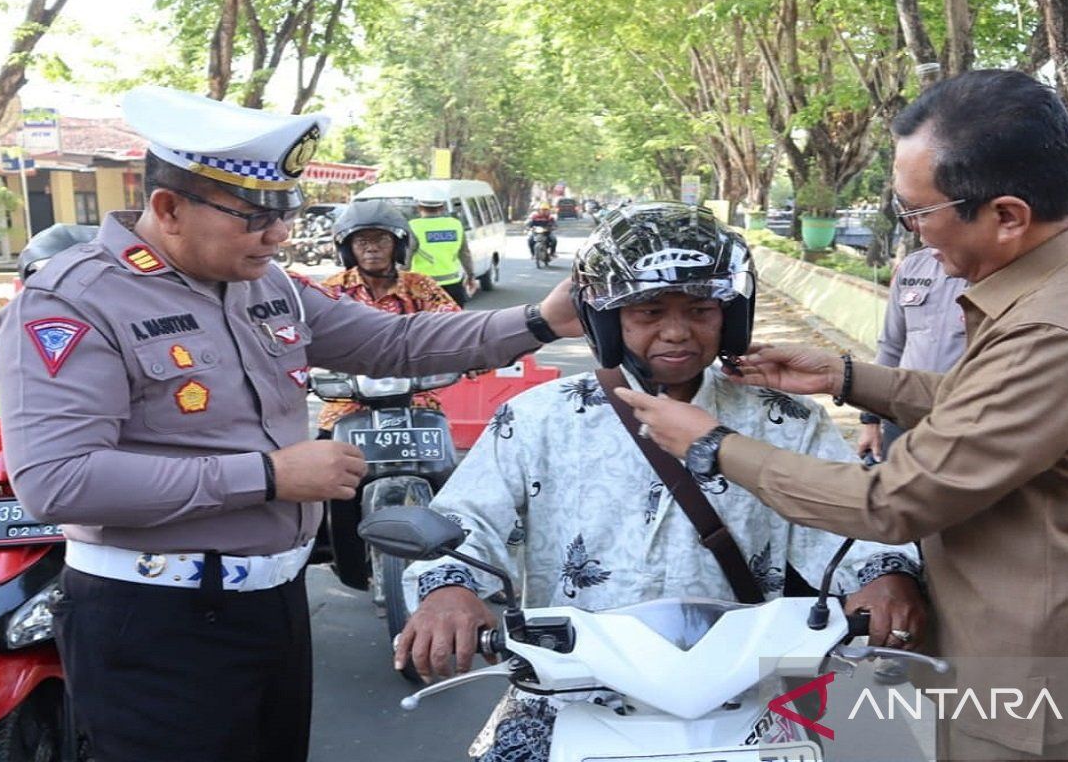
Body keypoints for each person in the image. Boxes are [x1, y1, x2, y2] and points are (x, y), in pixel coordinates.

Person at [0, 85, 580, 762]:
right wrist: (268, 475)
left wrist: (539, 321)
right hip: (154, 620)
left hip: (272, 608)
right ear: (168, 207)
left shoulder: (265, 284)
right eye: (251, 216)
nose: (276, 234)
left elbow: (393, 343)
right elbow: (60, 482)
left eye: (285, 213)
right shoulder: (73, 300)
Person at [616, 71, 1068, 761]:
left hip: (1032, 670)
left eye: (918, 213)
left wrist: (713, 444)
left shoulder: (1057, 330)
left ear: (1007, 215)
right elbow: (1004, 418)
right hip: (1038, 642)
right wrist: (850, 377)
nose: (911, 233)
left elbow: (892, 500)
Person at [397, 203, 926, 762]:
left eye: (701, 310)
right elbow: (465, 520)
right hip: (570, 693)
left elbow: (842, 516)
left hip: (742, 696)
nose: (677, 332)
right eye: (648, 312)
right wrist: (448, 588)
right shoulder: (534, 418)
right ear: (606, 319)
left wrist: (885, 574)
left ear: (732, 315)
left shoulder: (787, 419)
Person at [317, 199, 461, 437]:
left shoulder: (421, 285)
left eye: (381, 240)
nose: (371, 248)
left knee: (442, 460)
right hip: (349, 397)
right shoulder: (332, 290)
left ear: (397, 245)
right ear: (347, 248)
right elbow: (301, 332)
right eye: (362, 241)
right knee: (322, 458)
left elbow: (454, 324)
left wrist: (472, 354)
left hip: (415, 395)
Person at [857, 246, 967, 462]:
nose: (917, 225)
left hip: (962, 419)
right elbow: (890, 346)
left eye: (925, 214)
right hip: (901, 414)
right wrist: (871, 420)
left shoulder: (995, 270)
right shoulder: (913, 265)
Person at [409, 195, 474, 306]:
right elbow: (465, 254)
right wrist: (470, 276)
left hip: (422, 286)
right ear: (442, 207)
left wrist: (396, 281)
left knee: (425, 322)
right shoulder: (455, 224)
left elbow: (405, 258)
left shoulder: (413, 226)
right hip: (453, 285)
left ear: (419, 207)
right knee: (453, 321)